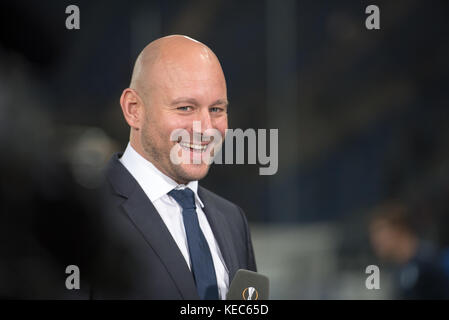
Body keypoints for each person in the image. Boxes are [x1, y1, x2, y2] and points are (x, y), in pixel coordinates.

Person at [89, 35, 257, 299]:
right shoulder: (86, 215)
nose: (205, 128)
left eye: (216, 109)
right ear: (134, 109)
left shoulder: (232, 220)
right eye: (185, 108)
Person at [369, 201, 449, 299]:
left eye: (379, 231)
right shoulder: (400, 270)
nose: (374, 240)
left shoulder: (429, 263)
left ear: (398, 229)